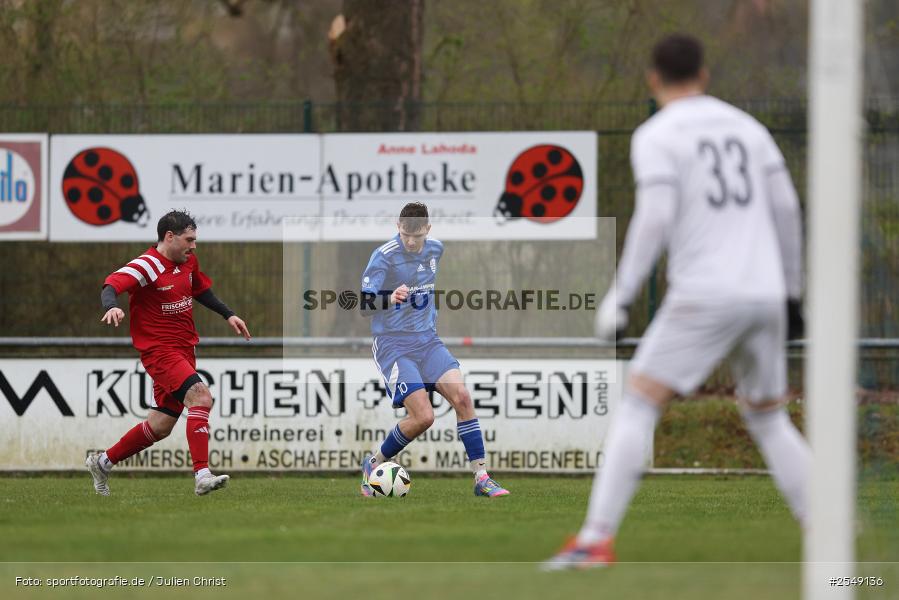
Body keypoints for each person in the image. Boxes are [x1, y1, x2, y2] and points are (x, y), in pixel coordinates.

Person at [544, 34, 810, 568]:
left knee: (640, 401)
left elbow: (657, 217)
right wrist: (793, 291)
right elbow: (785, 208)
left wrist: (619, 297)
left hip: (707, 293)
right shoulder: (748, 129)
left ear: (653, 79)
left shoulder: (658, 135)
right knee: (767, 416)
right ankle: (831, 531)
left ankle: (595, 540)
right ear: (704, 75)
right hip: (764, 293)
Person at [85, 210, 251, 496]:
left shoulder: (187, 262)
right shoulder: (147, 264)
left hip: (184, 350)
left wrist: (229, 314)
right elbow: (112, 283)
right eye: (189, 239)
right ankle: (201, 475)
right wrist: (111, 305)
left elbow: (200, 291)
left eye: (195, 239)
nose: (194, 246)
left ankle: (102, 462)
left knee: (160, 426)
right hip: (159, 352)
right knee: (201, 397)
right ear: (169, 237)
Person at [358, 202, 509, 498]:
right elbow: (363, 305)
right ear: (397, 227)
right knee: (424, 417)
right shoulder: (384, 257)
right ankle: (373, 463)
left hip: (428, 341)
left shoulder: (435, 249)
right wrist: (389, 298)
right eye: (405, 234)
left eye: (416, 235)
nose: (410, 241)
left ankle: (481, 477)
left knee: (463, 397)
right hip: (394, 345)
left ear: (428, 229)